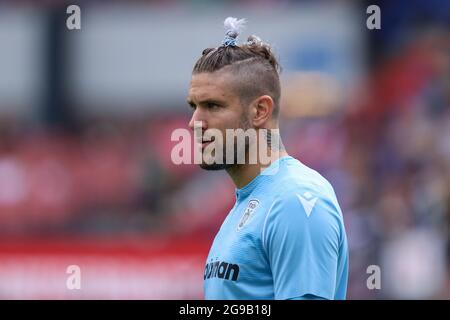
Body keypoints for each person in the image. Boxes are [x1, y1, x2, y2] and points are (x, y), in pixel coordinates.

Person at [186, 17, 349, 300]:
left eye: (212, 105)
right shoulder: (247, 204)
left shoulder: (296, 200)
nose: (194, 122)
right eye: (194, 106)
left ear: (260, 111)